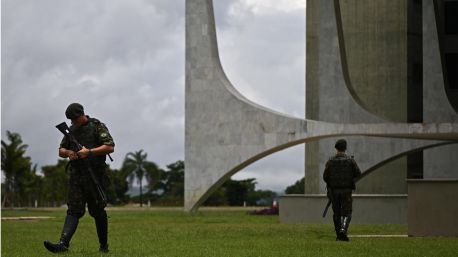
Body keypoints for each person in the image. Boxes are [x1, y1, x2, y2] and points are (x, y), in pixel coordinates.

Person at [44, 103, 115, 253]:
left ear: (82, 115)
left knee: (97, 211)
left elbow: (110, 147)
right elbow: (61, 150)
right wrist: (69, 152)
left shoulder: (97, 126)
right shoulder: (71, 131)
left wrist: (89, 152)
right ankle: (63, 244)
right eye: (71, 120)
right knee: (73, 210)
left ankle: (104, 246)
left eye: (75, 119)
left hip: (96, 176)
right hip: (77, 176)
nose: (73, 123)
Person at [323, 139, 361, 241]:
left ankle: (339, 234)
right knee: (347, 212)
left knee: (336, 213)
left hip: (334, 192)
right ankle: (343, 230)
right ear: (345, 148)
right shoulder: (350, 160)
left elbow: (325, 176)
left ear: (336, 148)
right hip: (346, 191)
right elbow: (358, 173)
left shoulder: (330, 161)